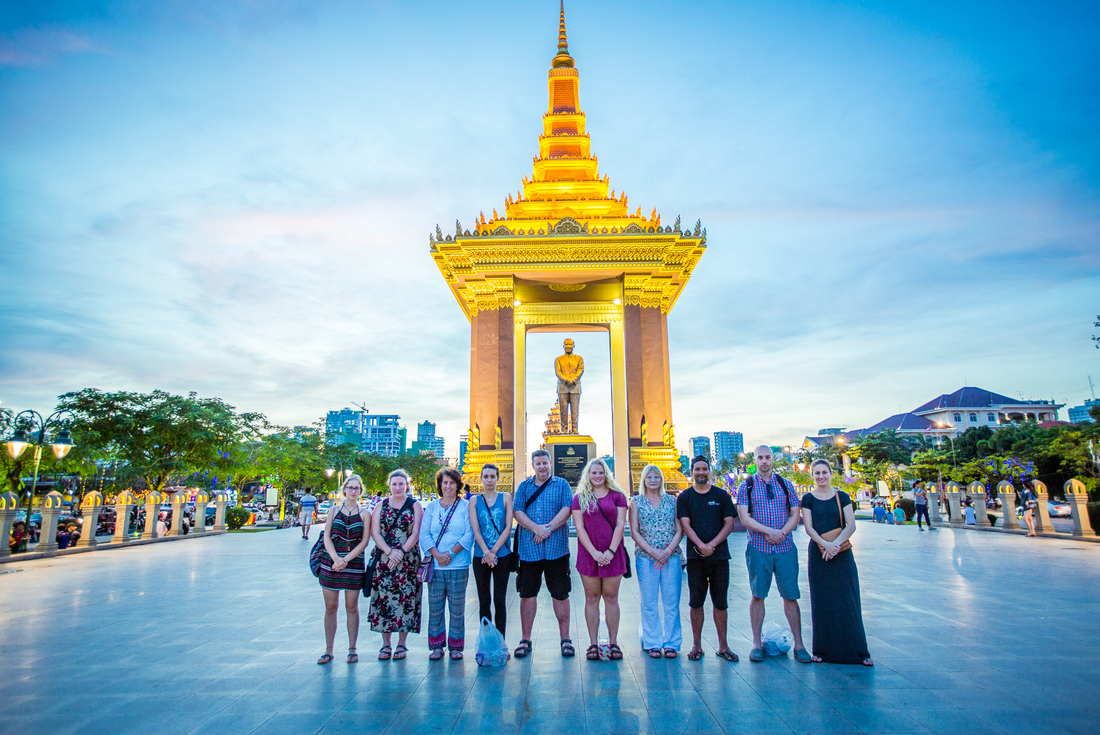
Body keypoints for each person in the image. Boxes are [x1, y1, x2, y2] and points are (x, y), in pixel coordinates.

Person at [736, 445, 811, 664]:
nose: (764, 461)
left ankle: (799, 644)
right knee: (758, 594)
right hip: (759, 547)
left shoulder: (785, 484)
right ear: (755, 460)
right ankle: (756, 643)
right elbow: (744, 517)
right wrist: (769, 532)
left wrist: (782, 533)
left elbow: (794, 513)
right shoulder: (747, 486)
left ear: (772, 459)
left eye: (768, 457)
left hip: (785, 547)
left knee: (790, 595)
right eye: (760, 457)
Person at [800, 460, 872, 666]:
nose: (821, 476)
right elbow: (808, 527)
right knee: (822, 601)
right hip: (819, 554)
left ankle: (859, 652)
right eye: (817, 473)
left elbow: (851, 524)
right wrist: (824, 544)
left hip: (841, 552)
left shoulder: (842, 496)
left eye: (824, 472)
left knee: (848, 599)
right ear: (812, 476)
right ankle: (822, 650)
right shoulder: (808, 498)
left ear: (831, 473)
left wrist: (835, 545)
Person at [512, 448, 575, 659]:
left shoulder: (562, 485)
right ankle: (525, 639)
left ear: (550, 463)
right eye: (537, 463)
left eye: (544, 463)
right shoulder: (524, 486)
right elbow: (517, 511)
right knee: (527, 594)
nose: (541, 467)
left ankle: (565, 638)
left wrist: (547, 528)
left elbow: (567, 509)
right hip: (530, 550)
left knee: (560, 593)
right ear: (533, 466)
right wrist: (535, 528)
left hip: (556, 549)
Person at [677, 455, 737, 662]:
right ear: (691, 472)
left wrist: (712, 545)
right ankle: (696, 645)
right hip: (696, 557)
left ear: (709, 471)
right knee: (696, 602)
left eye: (704, 469)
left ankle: (723, 645)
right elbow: (685, 525)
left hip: (719, 556)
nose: (701, 472)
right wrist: (701, 546)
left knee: (720, 602)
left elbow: (729, 523)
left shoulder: (721, 495)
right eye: (697, 469)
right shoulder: (685, 497)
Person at [572, 457, 628, 661]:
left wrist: (610, 552)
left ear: (606, 474)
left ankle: (613, 642)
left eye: (600, 472)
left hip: (613, 553)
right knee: (592, 598)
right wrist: (595, 553)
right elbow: (579, 528)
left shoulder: (618, 496)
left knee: (611, 598)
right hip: (589, 554)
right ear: (588, 475)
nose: (597, 476)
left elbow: (621, 524)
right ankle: (593, 643)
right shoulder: (579, 498)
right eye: (593, 473)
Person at [316, 474, 372, 665]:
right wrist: (335, 558)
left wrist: (345, 560)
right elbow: (327, 536)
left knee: (351, 607)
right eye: (350, 487)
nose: (353, 491)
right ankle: (329, 649)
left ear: (360, 491)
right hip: (331, 561)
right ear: (345, 489)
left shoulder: (365, 513)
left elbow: (364, 541)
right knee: (331, 607)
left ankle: (352, 648)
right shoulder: (333, 510)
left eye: (357, 488)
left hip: (353, 563)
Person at [369, 469, 424, 661]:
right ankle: (386, 644)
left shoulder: (415, 506)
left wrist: (400, 552)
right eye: (394, 484)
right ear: (389, 486)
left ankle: (402, 643)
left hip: (407, 560)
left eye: (402, 484)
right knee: (384, 599)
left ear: (407, 485)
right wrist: (389, 551)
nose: (398, 487)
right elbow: (375, 532)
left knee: (406, 600)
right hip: (385, 560)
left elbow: (416, 532)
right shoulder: (380, 505)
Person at [629, 464, 683, 658]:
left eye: (656, 477)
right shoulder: (636, 502)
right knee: (649, 601)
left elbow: (679, 529)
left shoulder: (672, 501)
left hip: (672, 556)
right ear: (643, 480)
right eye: (649, 477)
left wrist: (667, 551)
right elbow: (634, 531)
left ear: (662, 480)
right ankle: (652, 641)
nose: (653, 480)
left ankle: (671, 643)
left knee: (672, 601)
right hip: (646, 557)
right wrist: (653, 551)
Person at [420, 467, 474, 660]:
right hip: (436, 565)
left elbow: (469, 533)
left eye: (452, 482)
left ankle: (456, 646)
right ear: (440, 486)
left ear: (457, 485)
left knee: (457, 608)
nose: (448, 486)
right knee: (435, 607)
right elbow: (424, 534)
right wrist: (437, 555)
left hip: (457, 564)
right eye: (445, 482)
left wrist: (450, 554)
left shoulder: (466, 506)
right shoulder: (432, 507)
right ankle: (436, 645)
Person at [469, 463, 513, 638]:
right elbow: (475, 529)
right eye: (485, 476)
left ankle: (501, 641)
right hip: (481, 556)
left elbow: (508, 527)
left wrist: (493, 550)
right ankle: (487, 640)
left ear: (497, 478)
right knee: (484, 600)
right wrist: (486, 552)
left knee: (500, 601)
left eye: (492, 476)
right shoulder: (474, 500)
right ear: (481, 478)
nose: (489, 480)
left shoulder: (506, 497)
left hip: (501, 555)